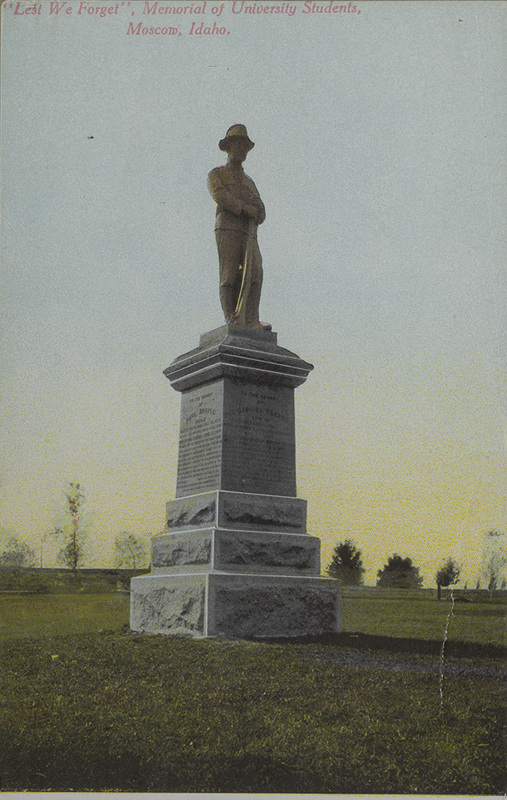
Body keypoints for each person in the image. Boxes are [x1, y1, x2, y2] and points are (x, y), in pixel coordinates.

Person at [208, 124, 271, 330]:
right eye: (237, 146)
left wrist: (258, 208)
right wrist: (245, 208)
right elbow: (221, 196)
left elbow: (261, 212)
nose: (241, 151)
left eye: (244, 147)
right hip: (228, 228)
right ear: (228, 148)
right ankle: (231, 317)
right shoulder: (217, 174)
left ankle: (251, 318)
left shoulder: (249, 182)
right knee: (230, 275)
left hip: (249, 232)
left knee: (255, 272)